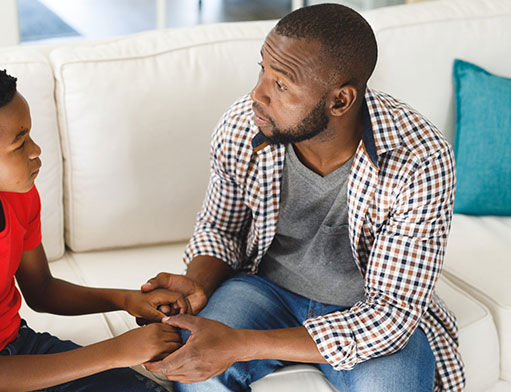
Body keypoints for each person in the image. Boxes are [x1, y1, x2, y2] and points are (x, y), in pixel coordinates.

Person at [141, 4, 464, 391]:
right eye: (262, 70)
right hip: (264, 289)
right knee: (193, 368)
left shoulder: (418, 159)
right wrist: (197, 284)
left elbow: (390, 316)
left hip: (364, 309)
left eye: (281, 85)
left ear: (340, 101)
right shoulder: (244, 125)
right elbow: (221, 229)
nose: (256, 94)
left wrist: (240, 345)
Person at [0, 62, 186, 392]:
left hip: (16, 348)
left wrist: (127, 300)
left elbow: (41, 290)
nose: (36, 150)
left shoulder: (18, 195)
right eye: (20, 143)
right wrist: (119, 350)